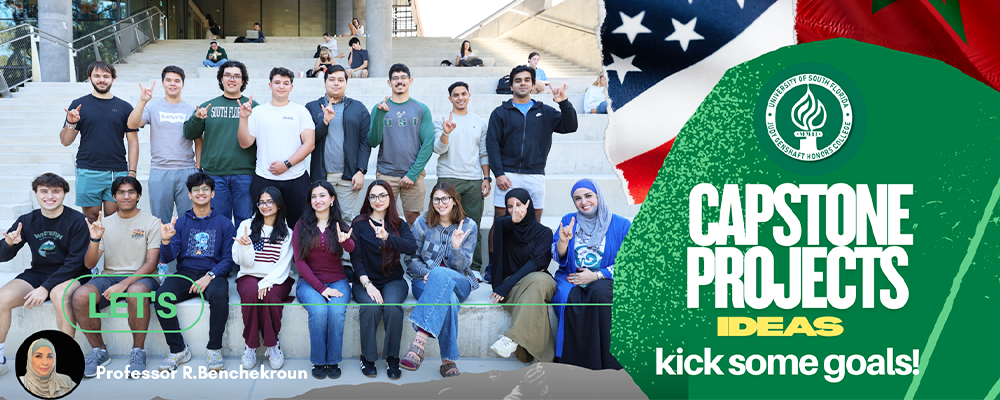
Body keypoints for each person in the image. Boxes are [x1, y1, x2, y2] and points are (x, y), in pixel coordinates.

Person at [485, 65, 577, 281]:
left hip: (535, 174)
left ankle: (528, 265)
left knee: (533, 222)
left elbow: (570, 126)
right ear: (511, 85)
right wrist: (498, 173)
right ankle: (493, 265)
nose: (523, 83)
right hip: (507, 173)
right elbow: (492, 144)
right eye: (518, 80)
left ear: (533, 84)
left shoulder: (545, 111)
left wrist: (563, 102)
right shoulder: (500, 113)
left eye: (527, 79)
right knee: (501, 220)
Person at [0, 174, 88, 378]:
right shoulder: (27, 221)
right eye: (44, 191)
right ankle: (1, 357)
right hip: (38, 273)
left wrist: (45, 288)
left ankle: (67, 357)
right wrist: (9, 244)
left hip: (72, 274)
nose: (50, 196)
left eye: (56, 191)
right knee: (2, 298)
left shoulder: (76, 221)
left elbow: (75, 263)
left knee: (59, 295)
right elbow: (3, 256)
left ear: (65, 194)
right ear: (36, 194)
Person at [73, 176, 161, 378]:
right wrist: (95, 238)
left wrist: (123, 284)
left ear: (139, 196)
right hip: (109, 276)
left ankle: (138, 351)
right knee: (80, 296)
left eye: (131, 192)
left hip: (143, 277)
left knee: (136, 292)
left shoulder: (151, 222)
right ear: (114, 196)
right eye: (121, 192)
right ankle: (99, 351)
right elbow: (89, 264)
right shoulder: (105, 223)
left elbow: (151, 263)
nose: (126, 196)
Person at [155, 172, 235, 372]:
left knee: (219, 295)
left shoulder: (225, 223)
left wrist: (209, 277)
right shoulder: (180, 223)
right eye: (196, 190)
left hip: (212, 273)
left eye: (205, 189)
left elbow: (229, 259)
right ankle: (178, 349)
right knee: (162, 295)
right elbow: (167, 258)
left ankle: (214, 348)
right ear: (189, 195)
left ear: (213, 193)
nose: (201, 193)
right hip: (185, 273)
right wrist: (165, 240)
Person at [400, 182, 478, 377]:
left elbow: (463, 268)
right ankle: (448, 361)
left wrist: (456, 248)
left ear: (454, 201)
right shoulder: (421, 223)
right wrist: (425, 272)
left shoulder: (468, 226)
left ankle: (419, 342)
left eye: (445, 199)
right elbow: (410, 258)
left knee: (440, 274)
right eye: (436, 199)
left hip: (460, 281)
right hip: (423, 281)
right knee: (449, 299)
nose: (440, 203)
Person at [551, 179, 628, 370]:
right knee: (569, 297)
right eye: (578, 198)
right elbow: (556, 256)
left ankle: (608, 362)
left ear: (598, 196)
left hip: (604, 277)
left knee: (601, 296)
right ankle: (575, 363)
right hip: (571, 276)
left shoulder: (620, 224)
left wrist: (597, 275)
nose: (583, 202)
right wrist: (563, 242)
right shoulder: (569, 220)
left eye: (588, 196)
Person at [350, 181, 417, 379]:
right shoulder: (359, 223)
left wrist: (388, 236)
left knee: (392, 306)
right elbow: (356, 258)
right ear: (368, 199)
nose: (377, 200)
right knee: (370, 307)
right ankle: (368, 358)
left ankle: (392, 357)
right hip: (365, 281)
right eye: (373, 196)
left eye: (382, 196)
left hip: (393, 280)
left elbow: (411, 247)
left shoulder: (398, 223)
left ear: (390, 198)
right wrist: (367, 285)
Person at [60, 61, 139, 223]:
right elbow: (65, 141)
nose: (101, 80)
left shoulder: (124, 107)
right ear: (89, 78)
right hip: (88, 170)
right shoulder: (79, 105)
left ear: (113, 79)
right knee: (91, 219)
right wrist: (71, 122)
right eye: (97, 76)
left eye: (106, 76)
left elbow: (133, 142)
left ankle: (112, 250)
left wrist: (132, 172)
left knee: (114, 220)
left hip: (116, 172)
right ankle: (94, 249)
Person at [238, 67, 316, 228]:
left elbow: (309, 144)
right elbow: (245, 143)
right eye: (277, 82)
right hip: (265, 178)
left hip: (296, 178)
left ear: (291, 87)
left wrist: (287, 164)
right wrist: (243, 119)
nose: (281, 86)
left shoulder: (300, 111)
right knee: (265, 226)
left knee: (300, 227)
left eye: (286, 83)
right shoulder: (258, 112)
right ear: (270, 85)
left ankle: (297, 255)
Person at [293, 181, 355, 380]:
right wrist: (321, 289)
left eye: (322, 195)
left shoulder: (339, 225)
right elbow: (299, 262)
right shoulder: (301, 225)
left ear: (332, 199)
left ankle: (333, 360)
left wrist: (345, 241)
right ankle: (319, 361)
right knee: (319, 311)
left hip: (338, 282)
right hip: (309, 283)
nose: (317, 200)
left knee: (336, 312)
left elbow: (352, 248)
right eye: (314, 196)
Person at [184, 60, 259, 223]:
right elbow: (190, 134)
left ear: (243, 81)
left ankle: (242, 250)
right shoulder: (208, 107)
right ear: (221, 79)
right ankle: (223, 250)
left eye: (236, 76)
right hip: (214, 174)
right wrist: (197, 118)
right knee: (218, 222)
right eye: (227, 75)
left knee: (245, 220)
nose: (232, 79)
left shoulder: (254, 107)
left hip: (245, 174)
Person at [127, 65, 200, 227]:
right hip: (160, 172)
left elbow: (198, 140)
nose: (172, 84)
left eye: (177, 81)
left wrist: (198, 168)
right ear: (162, 83)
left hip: (187, 171)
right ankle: (162, 252)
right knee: (160, 221)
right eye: (168, 80)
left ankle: (185, 253)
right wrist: (143, 100)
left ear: (183, 84)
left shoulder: (191, 109)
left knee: (189, 221)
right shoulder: (152, 107)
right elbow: (132, 124)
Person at [489, 189, 556, 363]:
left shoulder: (545, 233)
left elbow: (537, 264)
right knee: (534, 295)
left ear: (529, 205)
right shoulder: (503, 228)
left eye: (519, 204)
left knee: (538, 278)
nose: (515, 209)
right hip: (515, 287)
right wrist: (513, 220)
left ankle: (511, 338)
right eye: (510, 206)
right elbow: (501, 224)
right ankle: (545, 359)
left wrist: (507, 284)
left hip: (541, 283)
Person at [234, 187, 294, 371]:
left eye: (270, 202)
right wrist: (244, 247)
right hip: (249, 275)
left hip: (277, 278)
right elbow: (240, 261)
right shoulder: (247, 225)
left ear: (278, 204)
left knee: (270, 296)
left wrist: (267, 282)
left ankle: (272, 344)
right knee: (252, 294)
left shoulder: (286, 232)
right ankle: (251, 345)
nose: (265, 206)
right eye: (261, 202)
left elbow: (284, 264)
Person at [368, 63, 434, 226]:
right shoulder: (379, 108)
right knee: (382, 218)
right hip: (386, 173)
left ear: (410, 81)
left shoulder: (421, 109)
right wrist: (380, 115)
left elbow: (428, 144)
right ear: (389, 83)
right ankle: (387, 251)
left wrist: (412, 174)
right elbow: (373, 141)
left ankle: (412, 251)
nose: (399, 81)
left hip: (413, 173)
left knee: (413, 218)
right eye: (395, 78)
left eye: (403, 77)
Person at [433, 81, 490, 272]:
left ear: (469, 95)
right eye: (455, 95)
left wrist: (486, 177)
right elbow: (438, 149)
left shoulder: (479, 122)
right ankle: (445, 264)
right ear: (450, 98)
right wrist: (446, 133)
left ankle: (473, 268)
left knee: (472, 225)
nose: (460, 98)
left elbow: (483, 152)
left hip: (474, 180)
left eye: (463, 94)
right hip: (448, 179)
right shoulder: (440, 120)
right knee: (445, 225)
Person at [305, 65, 371, 220]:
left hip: (349, 176)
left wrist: (361, 171)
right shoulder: (312, 107)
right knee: (320, 218)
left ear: (346, 83)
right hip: (321, 175)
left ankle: (342, 245)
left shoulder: (358, 108)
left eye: (340, 80)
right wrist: (325, 122)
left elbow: (365, 142)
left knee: (345, 218)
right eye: (332, 79)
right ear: (325, 82)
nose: (336, 83)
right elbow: (308, 141)